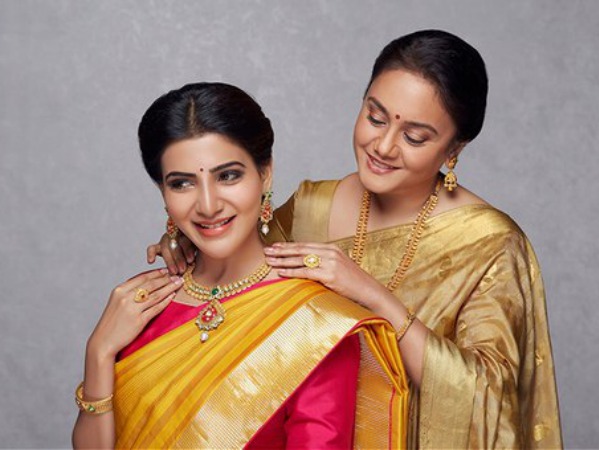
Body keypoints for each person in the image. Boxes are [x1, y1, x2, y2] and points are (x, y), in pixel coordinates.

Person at [153, 31, 563, 449]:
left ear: (454, 148)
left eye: (414, 137)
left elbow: (490, 402)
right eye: (375, 117)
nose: (383, 146)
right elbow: (245, 286)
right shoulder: (312, 206)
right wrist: (192, 245)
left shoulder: (490, 243)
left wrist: (373, 297)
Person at [72, 82, 408, 449]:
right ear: (163, 193)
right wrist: (99, 353)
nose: (208, 205)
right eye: (182, 183)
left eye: (228, 176)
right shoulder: (141, 304)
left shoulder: (314, 323)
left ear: (265, 173)